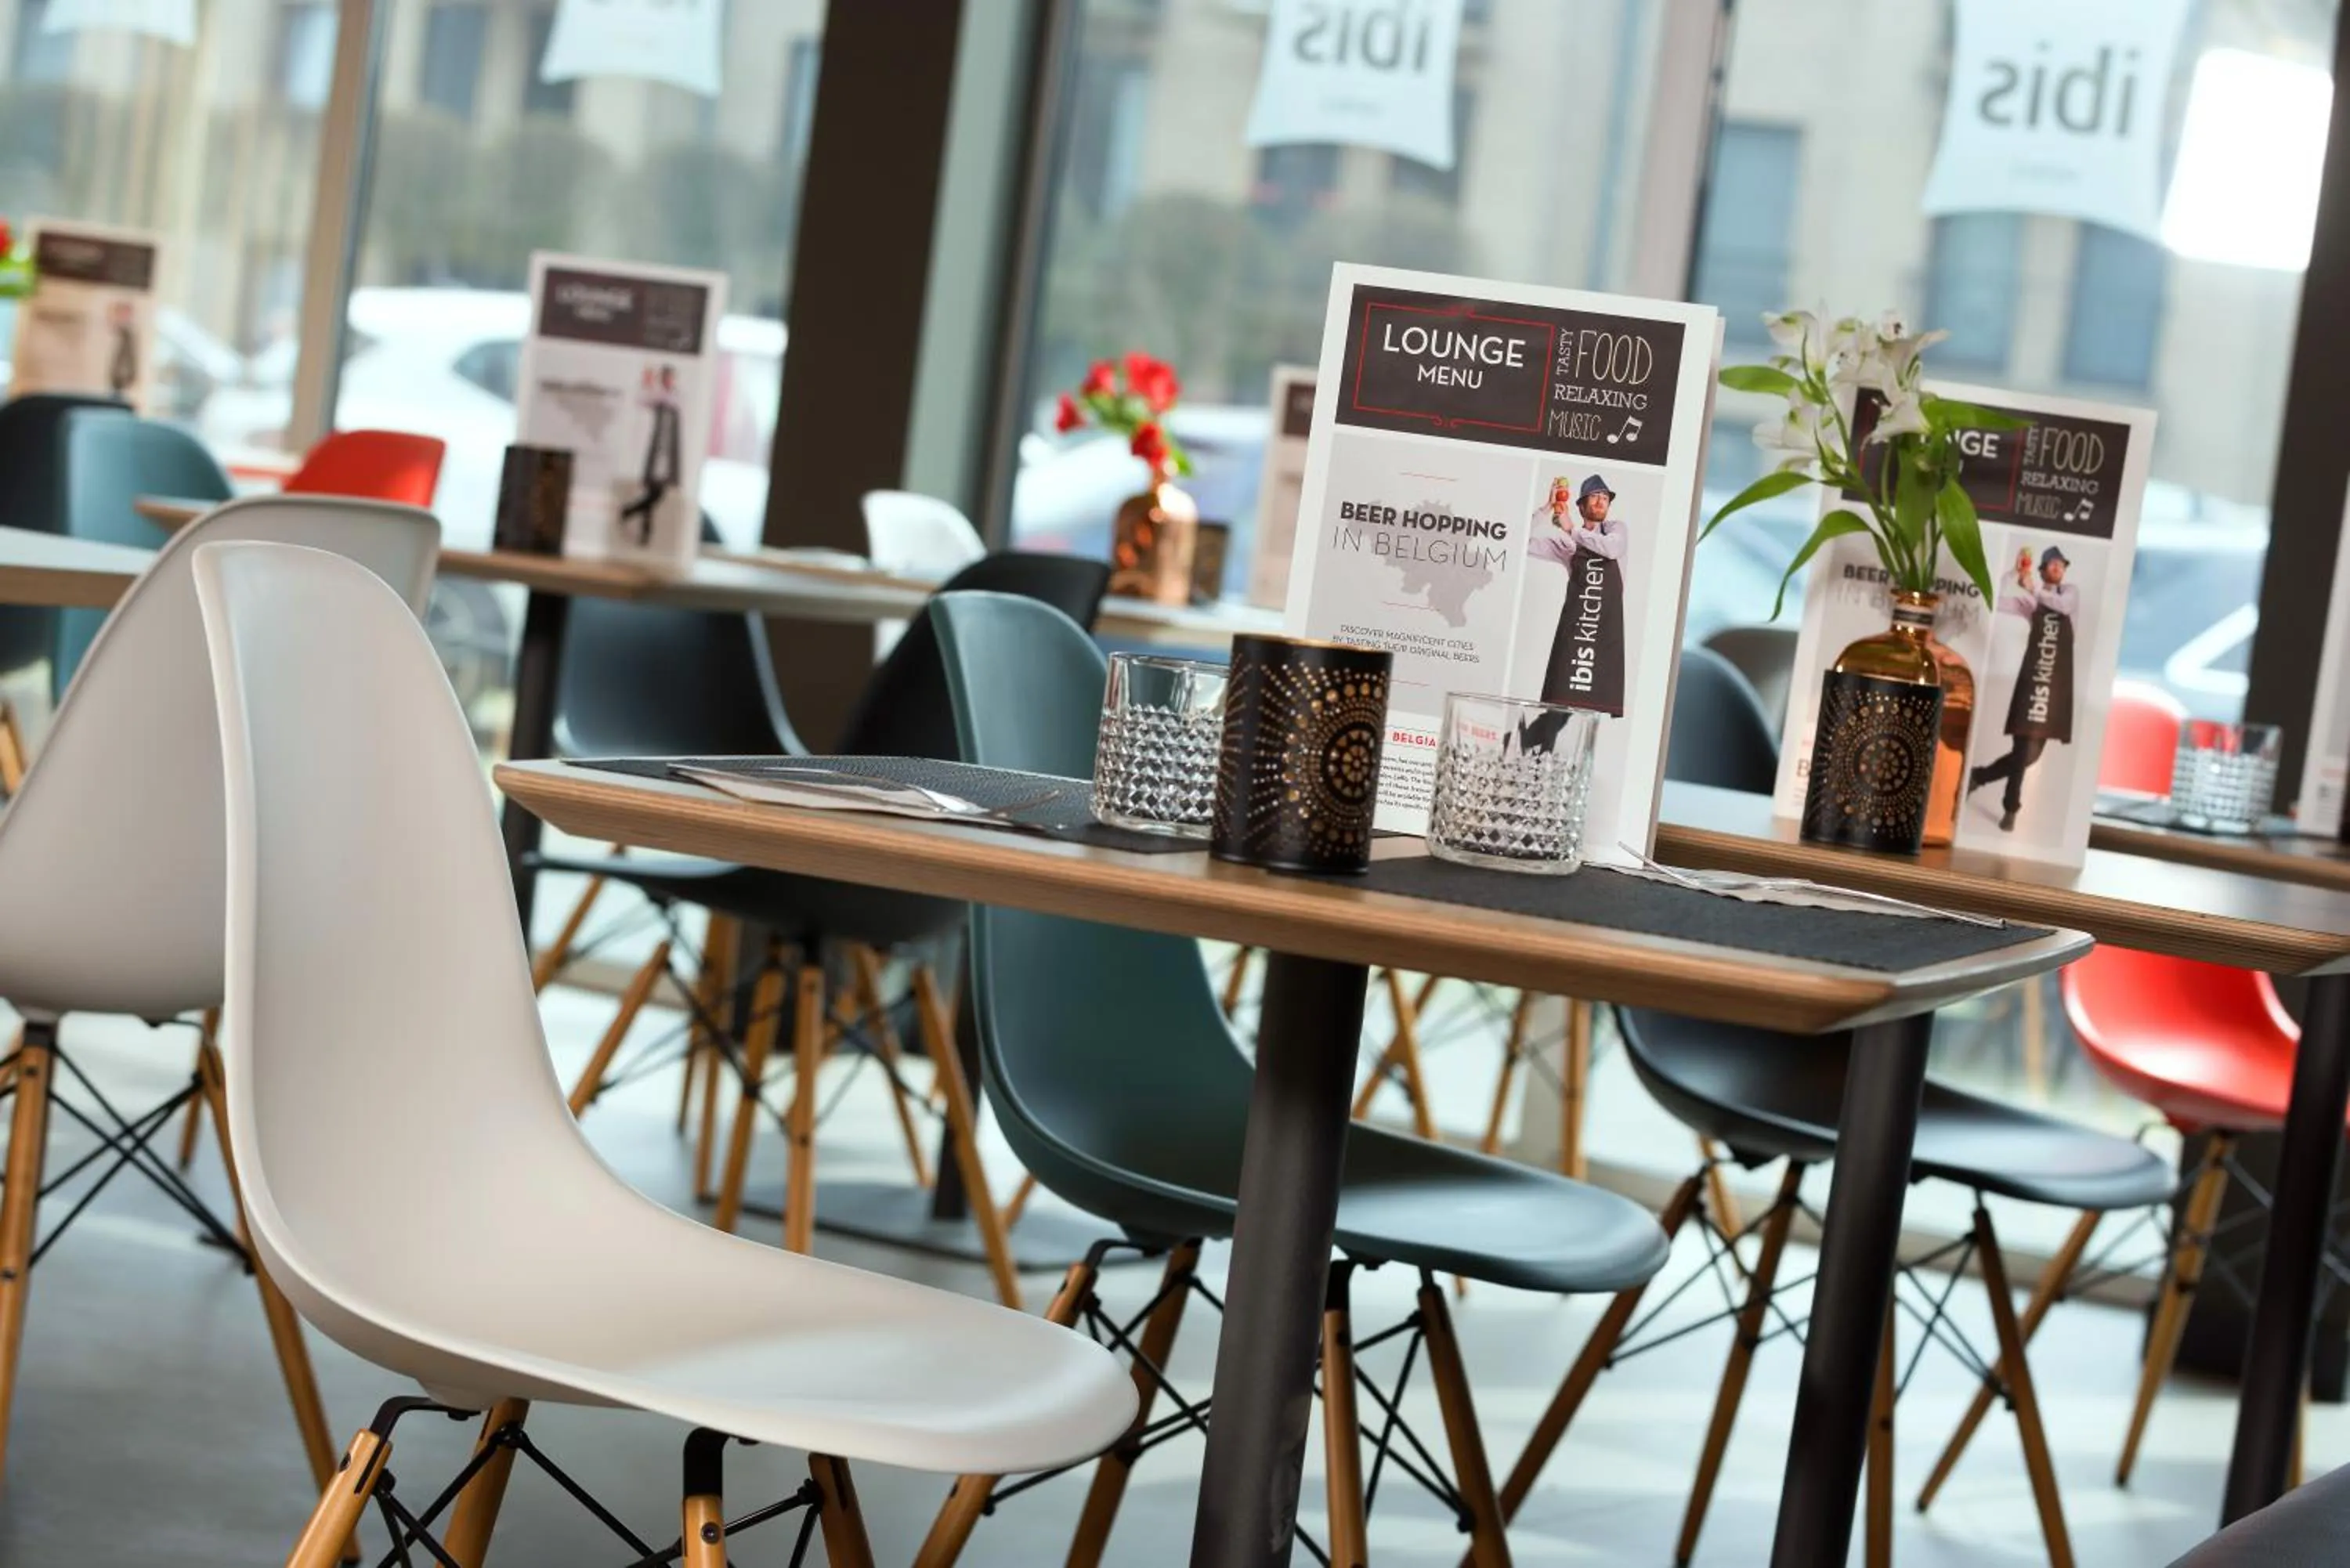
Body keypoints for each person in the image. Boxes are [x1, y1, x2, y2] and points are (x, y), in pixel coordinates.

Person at [1968, 544, 2079, 831]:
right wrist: (2013, 574)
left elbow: (2063, 608)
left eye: (2061, 564)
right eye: (2052, 564)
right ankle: (2011, 809)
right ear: (2041, 570)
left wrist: (2033, 590)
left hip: (2055, 688)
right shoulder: (2030, 603)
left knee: (2029, 756)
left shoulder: (2069, 593)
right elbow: (1994, 599)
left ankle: (1979, 776)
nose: (2058, 567)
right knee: (2022, 749)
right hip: (2033, 681)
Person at [1529, 473, 1628, 718]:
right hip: (1577, 635)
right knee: (1557, 713)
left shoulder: (1615, 530)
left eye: (1605, 497)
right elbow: (1518, 540)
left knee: (1590, 716)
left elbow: (1612, 549)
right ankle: (1532, 739)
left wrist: (1572, 529)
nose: (1601, 501)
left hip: (1604, 636)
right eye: (1594, 496)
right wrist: (1547, 508)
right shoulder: (1568, 546)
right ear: (1581, 506)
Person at [618, 363, 683, 547]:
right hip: (654, 453)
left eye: (671, 377)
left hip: (665, 453)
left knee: (655, 494)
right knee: (654, 493)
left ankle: (640, 528)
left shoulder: (673, 397)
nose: (669, 381)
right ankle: (636, 522)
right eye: (666, 377)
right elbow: (645, 402)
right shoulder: (657, 396)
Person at [106, 299, 138, 401]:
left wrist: (129, 375)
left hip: (120, 379)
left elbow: (130, 358)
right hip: (116, 380)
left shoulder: (128, 335)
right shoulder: (116, 333)